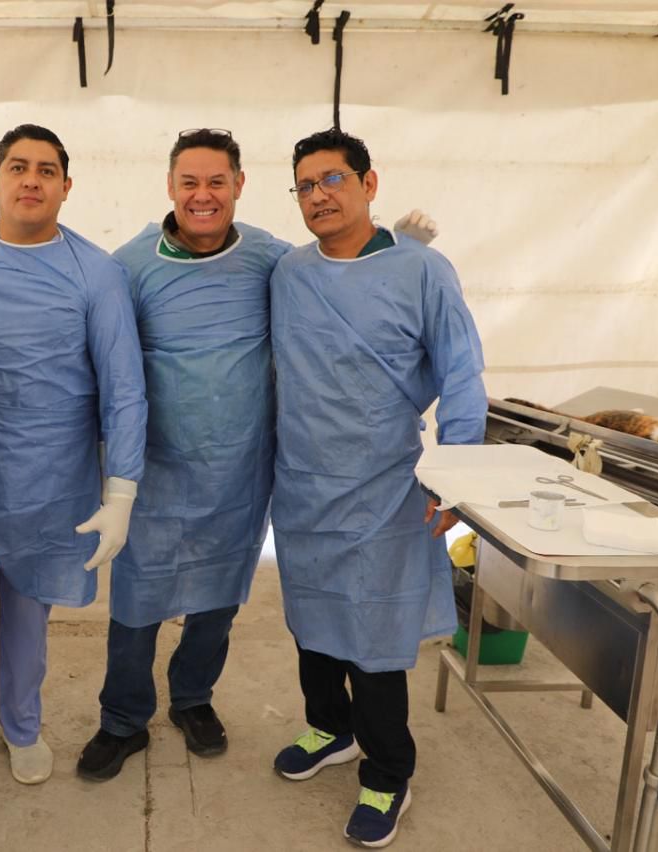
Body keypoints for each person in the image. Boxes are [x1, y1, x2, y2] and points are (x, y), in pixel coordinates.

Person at [77, 128, 439, 781]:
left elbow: (339, 285)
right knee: (136, 604)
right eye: (190, 182)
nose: (203, 195)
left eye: (217, 181)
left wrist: (401, 254)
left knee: (218, 600)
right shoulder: (127, 266)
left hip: (239, 471)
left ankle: (193, 698)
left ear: (239, 186)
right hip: (157, 473)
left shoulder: (271, 259)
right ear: (170, 186)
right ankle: (122, 719)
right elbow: (106, 369)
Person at [268, 127, 486, 849]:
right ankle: (330, 727)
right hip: (303, 483)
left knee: (374, 636)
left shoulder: (423, 271)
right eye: (305, 185)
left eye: (332, 179)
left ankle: (388, 770)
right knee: (312, 620)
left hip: (385, 485)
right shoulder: (289, 273)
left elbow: (460, 372)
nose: (318, 195)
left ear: (368, 183)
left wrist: (457, 477)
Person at [0, 124, 147, 785]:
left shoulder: (96, 273)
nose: (31, 180)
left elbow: (124, 388)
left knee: (26, 615)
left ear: (66, 188)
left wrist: (121, 492)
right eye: (18, 167)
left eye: (46, 171)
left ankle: (22, 724)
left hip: (43, 479)